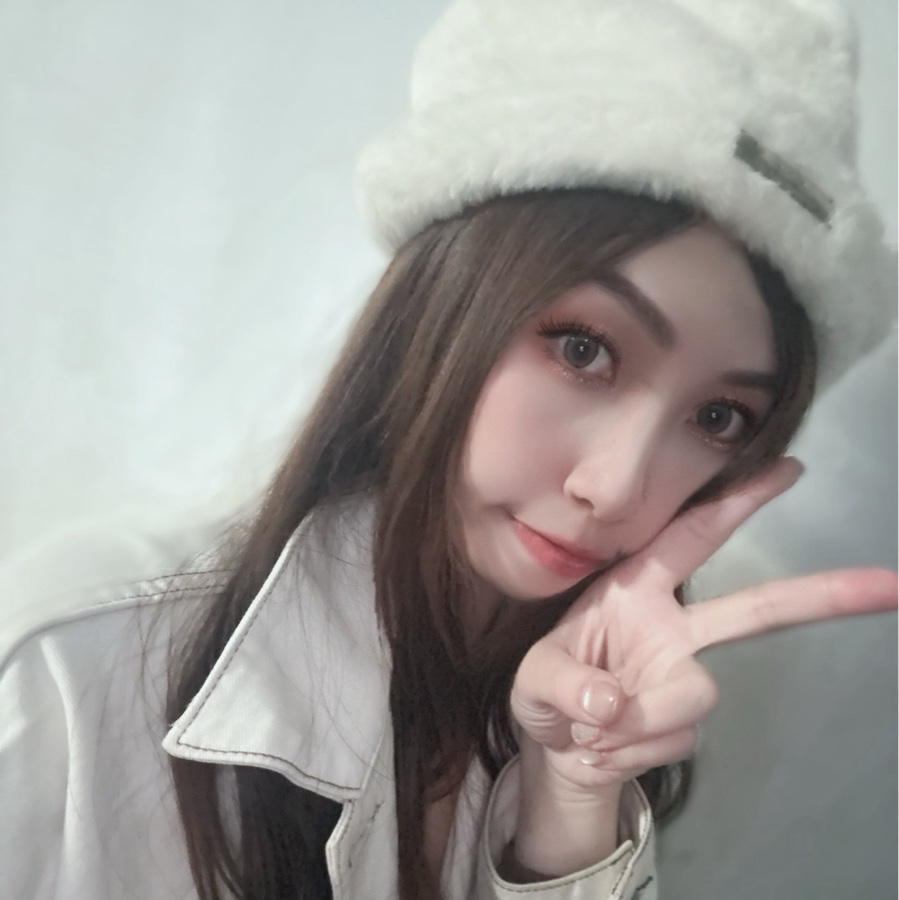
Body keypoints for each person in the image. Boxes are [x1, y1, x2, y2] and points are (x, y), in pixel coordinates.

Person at [1, 1, 896, 899]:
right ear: (445, 304)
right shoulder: (66, 665)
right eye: (583, 349)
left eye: (717, 418)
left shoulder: (606, 710)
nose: (617, 487)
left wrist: (568, 812)